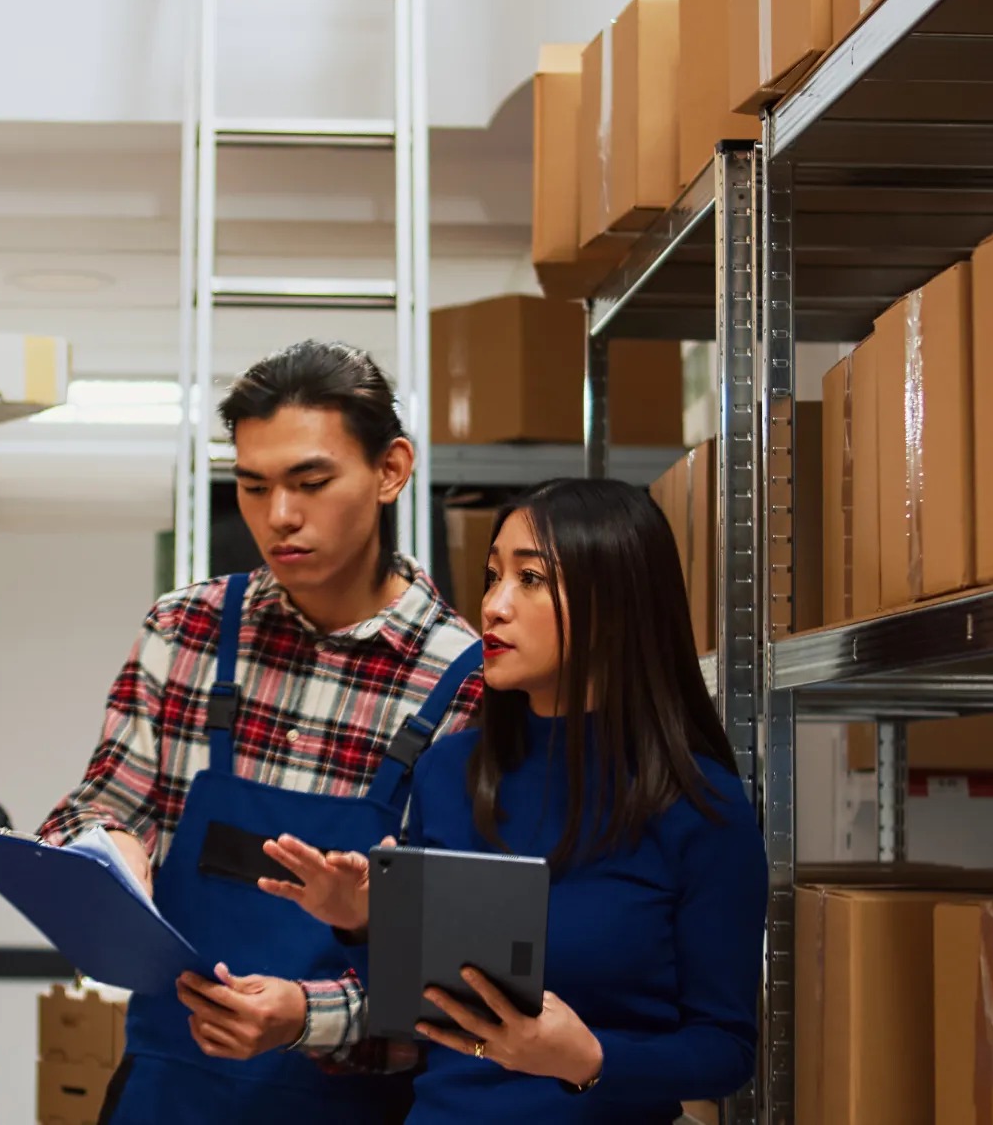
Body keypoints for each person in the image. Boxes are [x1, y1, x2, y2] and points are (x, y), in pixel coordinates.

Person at [38, 340, 486, 1125]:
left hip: (349, 1104)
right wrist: (104, 849)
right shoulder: (188, 629)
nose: (279, 516)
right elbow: (99, 806)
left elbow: (464, 964)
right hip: (165, 1089)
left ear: (391, 470)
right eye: (253, 486)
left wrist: (305, 1017)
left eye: (311, 483)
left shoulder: (469, 682)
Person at [255, 478, 766, 1124]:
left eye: (530, 580)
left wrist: (589, 1060)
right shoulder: (448, 772)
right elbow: (420, 1017)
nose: (493, 606)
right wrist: (361, 919)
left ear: (617, 602)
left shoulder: (699, 804)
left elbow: (725, 1049)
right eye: (493, 575)